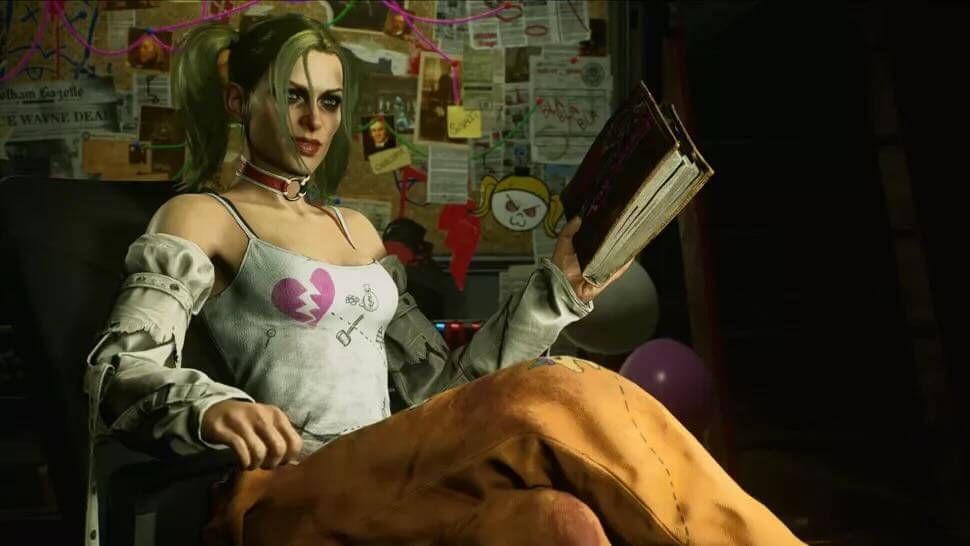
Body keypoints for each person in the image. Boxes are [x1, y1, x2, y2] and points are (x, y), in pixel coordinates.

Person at [83, 14, 805, 546]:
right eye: (289, 95)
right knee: (562, 390)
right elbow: (119, 368)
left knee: (558, 523)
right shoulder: (203, 215)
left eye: (329, 101)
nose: (312, 120)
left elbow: (446, 393)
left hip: (401, 470)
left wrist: (560, 287)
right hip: (291, 488)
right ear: (240, 103)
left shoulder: (359, 232)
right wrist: (209, 406)